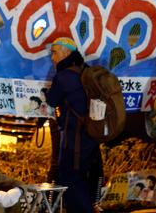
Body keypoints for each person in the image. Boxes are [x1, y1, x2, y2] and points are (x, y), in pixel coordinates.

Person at [44, 37, 102, 212]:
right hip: (92, 137)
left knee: (71, 181)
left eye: (54, 52)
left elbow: (52, 100)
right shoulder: (86, 71)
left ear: (67, 53)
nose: (52, 58)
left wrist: (45, 93)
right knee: (85, 179)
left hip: (74, 141)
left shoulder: (63, 77)